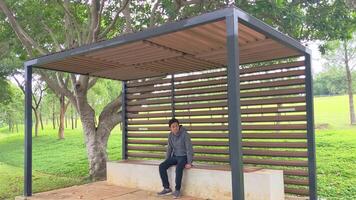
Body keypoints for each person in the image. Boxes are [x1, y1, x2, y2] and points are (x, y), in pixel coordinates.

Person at [157, 118, 194, 199]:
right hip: (175, 156)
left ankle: (177, 190)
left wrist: (190, 162)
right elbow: (169, 149)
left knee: (178, 168)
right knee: (162, 166)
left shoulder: (185, 134)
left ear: (179, 126)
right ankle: (167, 188)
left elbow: (189, 149)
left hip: (183, 157)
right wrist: (167, 160)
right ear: (170, 128)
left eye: (176, 126)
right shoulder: (170, 135)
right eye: (173, 127)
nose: (175, 128)